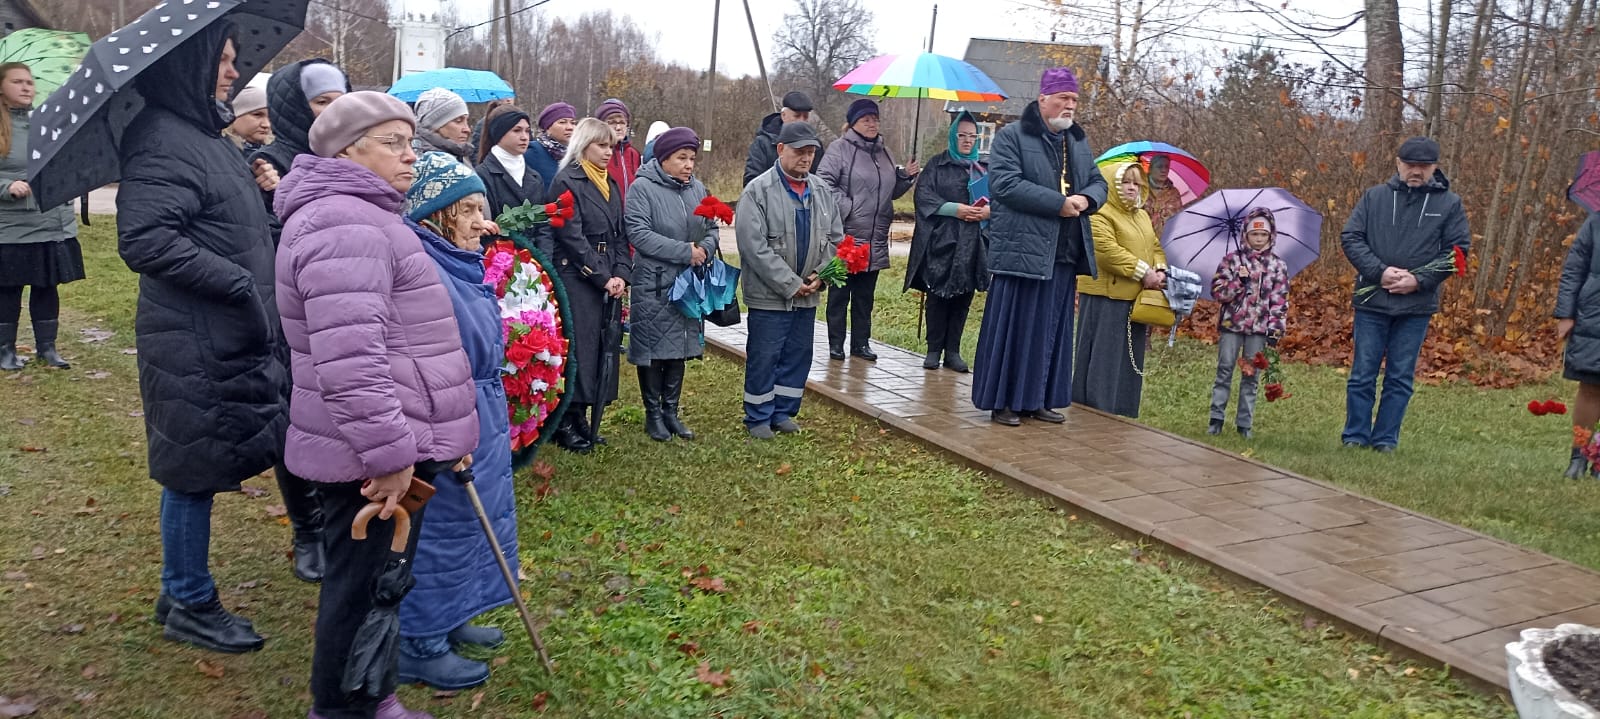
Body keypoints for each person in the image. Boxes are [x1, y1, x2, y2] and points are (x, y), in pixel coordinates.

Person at [275, 92, 477, 719]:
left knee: (376, 584)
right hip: (370, 450)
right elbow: (352, 361)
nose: (411, 156)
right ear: (346, 150)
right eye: (393, 142)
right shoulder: (345, 224)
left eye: (412, 141)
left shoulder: (364, 215)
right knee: (359, 588)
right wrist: (391, 456)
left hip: (394, 439)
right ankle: (342, 708)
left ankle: (371, 695)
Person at [116, 22, 285, 654]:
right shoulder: (162, 136)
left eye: (235, 62)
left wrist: (258, 187)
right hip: (193, 334)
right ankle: (189, 599)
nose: (231, 73)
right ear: (186, 67)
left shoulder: (205, 136)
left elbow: (219, 221)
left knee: (201, 464)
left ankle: (177, 584)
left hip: (222, 333)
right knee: (192, 469)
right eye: (220, 61)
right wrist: (239, 283)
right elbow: (145, 239)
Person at [397, 152, 517, 690]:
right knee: (440, 530)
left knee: (473, 521)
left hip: (480, 408)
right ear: (435, 215)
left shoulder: (457, 261)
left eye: (479, 208)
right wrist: (444, 429)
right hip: (450, 417)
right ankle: (419, 641)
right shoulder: (424, 269)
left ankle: (455, 613)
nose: (479, 222)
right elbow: (419, 362)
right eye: (465, 210)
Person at [249, 59, 351, 585]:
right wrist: (281, 196)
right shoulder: (270, 163)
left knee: (347, 416)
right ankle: (306, 528)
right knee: (298, 421)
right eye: (320, 102)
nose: (333, 111)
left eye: (340, 98)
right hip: (297, 312)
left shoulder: (355, 156)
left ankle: (338, 522)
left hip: (351, 306)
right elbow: (263, 243)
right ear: (295, 106)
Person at [970, 67, 1107, 427]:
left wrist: (1085, 200)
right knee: (1016, 330)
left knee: (1049, 332)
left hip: (1062, 252)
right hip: (1022, 251)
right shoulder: (1012, 136)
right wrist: (1057, 203)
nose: (1070, 105)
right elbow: (1004, 184)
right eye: (1063, 97)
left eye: (1074, 99)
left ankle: (1038, 399)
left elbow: (1097, 182)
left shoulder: (1076, 141)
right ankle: (1003, 402)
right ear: (1042, 98)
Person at [1340, 136, 1470, 453]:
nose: (1416, 171)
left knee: (1399, 377)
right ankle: (1355, 436)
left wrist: (1418, 280)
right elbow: (1351, 237)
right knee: (1362, 374)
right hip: (1372, 301)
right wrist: (1379, 272)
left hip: (1415, 306)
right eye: (1410, 164)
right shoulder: (1375, 197)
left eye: (1423, 166)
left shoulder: (1449, 204)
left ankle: (1385, 439)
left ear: (1434, 167)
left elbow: (1457, 252)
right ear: (1398, 164)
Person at [736, 122, 843, 440]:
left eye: (811, 152)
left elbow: (836, 240)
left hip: (808, 294)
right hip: (770, 296)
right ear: (780, 149)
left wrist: (819, 278)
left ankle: (783, 412)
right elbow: (753, 246)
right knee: (765, 356)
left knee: (798, 354)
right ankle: (757, 416)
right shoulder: (757, 191)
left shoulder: (822, 191)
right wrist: (790, 283)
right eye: (800, 152)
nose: (806, 158)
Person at [624, 127, 718, 442]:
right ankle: (653, 414)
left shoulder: (698, 189)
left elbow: (712, 225)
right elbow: (638, 233)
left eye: (692, 158)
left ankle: (671, 412)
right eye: (681, 158)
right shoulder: (642, 188)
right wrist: (684, 252)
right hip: (654, 281)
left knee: (679, 347)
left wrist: (705, 248)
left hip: (688, 282)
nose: (689, 164)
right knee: (654, 348)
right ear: (664, 159)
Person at [547, 117, 632, 452]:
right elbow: (571, 237)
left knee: (599, 349)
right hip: (578, 276)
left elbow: (621, 235)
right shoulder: (567, 181)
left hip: (609, 274)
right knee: (578, 349)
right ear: (583, 145)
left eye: (611, 145)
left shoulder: (608, 182)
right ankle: (565, 420)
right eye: (601, 145)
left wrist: (623, 273)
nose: (608, 152)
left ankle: (583, 414)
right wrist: (602, 277)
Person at [816, 98, 918, 362]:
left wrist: (905, 176)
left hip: (875, 240)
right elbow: (823, 185)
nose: (872, 123)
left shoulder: (885, 153)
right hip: (845, 239)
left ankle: (860, 344)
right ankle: (835, 344)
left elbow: (890, 192)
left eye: (875, 119)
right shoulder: (839, 149)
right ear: (853, 123)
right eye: (866, 119)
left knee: (865, 298)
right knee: (839, 295)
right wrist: (850, 207)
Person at [0, 61, 83, 371]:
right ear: (1, 87)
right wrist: (7, 186)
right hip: (11, 226)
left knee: (47, 286)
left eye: (30, 82)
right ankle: (5, 350)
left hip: (50, 219)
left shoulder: (45, 123)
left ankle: (47, 349)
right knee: (9, 289)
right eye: (18, 82)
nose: (26, 87)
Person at [1073, 162, 1166, 419]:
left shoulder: (1142, 216)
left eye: (1137, 183)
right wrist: (1143, 272)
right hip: (1106, 297)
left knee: (1129, 358)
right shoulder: (1100, 214)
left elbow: (1155, 246)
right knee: (1103, 357)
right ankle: (1094, 410)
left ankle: (1121, 408)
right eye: (1126, 182)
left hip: (1135, 299)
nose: (1132, 188)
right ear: (1113, 185)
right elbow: (1106, 252)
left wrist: (1160, 270)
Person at [906, 111, 989, 372]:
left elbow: (1000, 198)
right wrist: (955, 209)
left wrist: (986, 212)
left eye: (972, 136)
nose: (967, 141)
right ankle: (933, 350)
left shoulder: (984, 168)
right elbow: (923, 197)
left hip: (973, 242)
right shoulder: (937, 164)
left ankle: (953, 350)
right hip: (942, 240)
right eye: (962, 135)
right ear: (953, 136)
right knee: (937, 294)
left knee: (963, 295)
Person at [1208, 208, 1290, 439]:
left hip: (1259, 329)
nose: (1259, 239)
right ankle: (1216, 418)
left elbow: (1280, 300)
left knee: (1251, 375)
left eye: (1263, 235)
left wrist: (1275, 328)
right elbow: (1217, 292)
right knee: (1224, 369)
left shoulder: (1277, 266)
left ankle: (1245, 423)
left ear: (1271, 236)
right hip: (1232, 325)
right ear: (1246, 235)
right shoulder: (1232, 261)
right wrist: (1238, 282)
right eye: (1255, 235)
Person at [474, 104, 551, 255]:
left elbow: (543, 227)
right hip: (499, 264)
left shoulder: (534, 177)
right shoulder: (482, 175)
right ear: (499, 133)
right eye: (517, 130)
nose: (524, 137)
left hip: (535, 265)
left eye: (527, 131)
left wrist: (542, 262)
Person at [744, 91, 826, 188]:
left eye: (805, 117)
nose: (801, 121)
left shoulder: (815, 146)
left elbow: (820, 181)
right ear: (783, 115)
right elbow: (751, 183)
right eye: (797, 116)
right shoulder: (763, 143)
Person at [595, 98, 643, 203]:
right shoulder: (595, 152)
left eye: (622, 122)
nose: (618, 127)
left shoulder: (634, 154)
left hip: (632, 215)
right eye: (611, 122)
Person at [412, 87, 473, 164]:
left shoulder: (460, 157)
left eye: (467, 121)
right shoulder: (422, 163)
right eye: (458, 121)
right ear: (433, 126)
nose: (467, 130)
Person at [525, 101, 576, 192]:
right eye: (562, 122)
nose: (570, 127)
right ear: (547, 128)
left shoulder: (576, 155)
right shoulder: (533, 153)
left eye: (573, 122)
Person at [224, 85, 272, 155]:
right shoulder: (220, 152)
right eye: (257, 115)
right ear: (234, 115)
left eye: (270, 117)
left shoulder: (275, 153)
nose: (267, 124)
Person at [1146, 155, 1184, 238]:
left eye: (1167, 167)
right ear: (1150, 169)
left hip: (1165, 242)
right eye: (1159, 166)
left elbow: (1179, 220)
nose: (1164, 170)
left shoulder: (1174, 192)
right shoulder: (1139, 189)